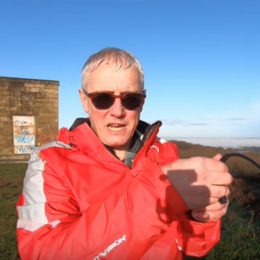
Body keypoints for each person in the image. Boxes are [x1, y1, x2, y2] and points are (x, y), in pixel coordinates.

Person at [16, 47, 232, 259]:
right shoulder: (50, 162)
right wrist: (154, 198)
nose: (118, 112)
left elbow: (190, 246)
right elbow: (43, 252)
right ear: (84, 101)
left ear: (142, 102)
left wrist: (201, 217)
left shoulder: (165, 152)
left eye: (130, 99)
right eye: (102, 99)